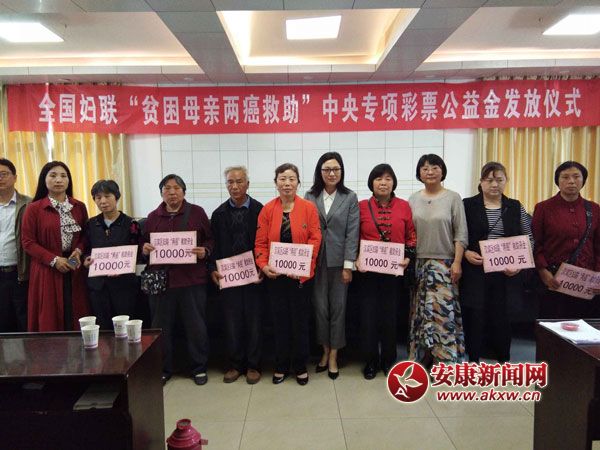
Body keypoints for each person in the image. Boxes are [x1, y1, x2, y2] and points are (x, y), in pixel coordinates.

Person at [142, 174, 214, 386]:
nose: (172, 192)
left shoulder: (197, 213)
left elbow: (210, 239)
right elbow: (143, 245)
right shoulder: (153, 217)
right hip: (162, 281)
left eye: (176, 188)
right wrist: (144, 249)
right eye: (167, 188)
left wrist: (205, 250)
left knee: (196, 326)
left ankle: (199, 368)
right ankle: (164, 369)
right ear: (161, 193)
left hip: (192, 280)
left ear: (184, 191)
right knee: (161, 328)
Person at [254, 163, 321, 386]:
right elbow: (260, 243)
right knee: (279, 322)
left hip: (300, 277)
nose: (287, 183)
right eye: (282, 179)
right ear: (276, 183)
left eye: (292, 179)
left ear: (298, 183)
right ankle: (281, 364)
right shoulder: (267, 210)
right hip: (275, 277)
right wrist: (264, 265)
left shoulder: (309, 208)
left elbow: (315, 239)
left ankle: (300, 365)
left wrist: (303, 268)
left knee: (300, 322)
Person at [461, 162, 533, 363]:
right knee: (475, 315)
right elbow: (457, 235)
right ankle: (474, 358)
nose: (494, 184)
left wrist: (519, 264)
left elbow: (529, 238)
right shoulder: (467, 205)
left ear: (506, 181)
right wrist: (466, 253)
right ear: (481, 182)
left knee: (502, 316)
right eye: (489, 180)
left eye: (499, 180)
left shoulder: (515, 206)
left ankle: (502, 358)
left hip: (506, 272)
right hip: (476, 270)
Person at [357, 164, 416, 379]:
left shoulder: (404, 206)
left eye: (388, 178)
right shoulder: (361, 206)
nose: (383, 183)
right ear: (371, 183)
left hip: (394, 272)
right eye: (379, 179)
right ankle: (370, 360)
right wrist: (356, 258)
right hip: (367, 273)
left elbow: (411, 236)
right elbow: (353, 235)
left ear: (394, 183)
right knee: (369, 318)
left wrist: (408, 256)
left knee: (390, 317)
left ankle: (389, 360)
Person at [409, 154, 468, 366]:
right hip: (419, 264)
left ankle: (444, 362)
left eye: (435, 167)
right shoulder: (413, 199)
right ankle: (425, 356)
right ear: (419, 173)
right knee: (422, 313)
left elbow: (461, 233)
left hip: (444, 264)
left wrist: (457, 262)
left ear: (442, 171)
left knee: (442, 315)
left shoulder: (453, 198)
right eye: (425, 168)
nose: (430, 171)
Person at [305, 152, 359, 380]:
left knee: (338, 309)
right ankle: (325, 351)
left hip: (339, 263)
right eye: (327, 169)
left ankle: (335, 355)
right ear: (320, 172)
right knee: (320, 309)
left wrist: (348, 265)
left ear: (341, 171)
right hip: (315, 262)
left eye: (336, 169)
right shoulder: (310, 196)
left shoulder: (349, 197)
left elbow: (352, 233)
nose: (331, 173)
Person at [210, 166, 264, 384]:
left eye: (239, 181)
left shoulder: (261, 210)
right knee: (232, 323)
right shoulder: (218, 214)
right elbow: (213, 246)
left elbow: (267, 242)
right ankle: (235, 364)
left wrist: (263, 266)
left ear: (247, 184)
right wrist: (212, 269)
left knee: (254, 322)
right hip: (229, 277)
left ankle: (254, 365)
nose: (234, 186)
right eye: (230, 182)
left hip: (254, 276)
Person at [21, 161, 89, 331]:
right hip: (46, 268)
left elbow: (85, 236)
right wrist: (54, 260)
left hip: (74, 264)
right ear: (44, 180)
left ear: (69, 180)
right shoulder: (33, 209)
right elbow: (28, 242)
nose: (58, 180)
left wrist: (78, 251)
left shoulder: (79, 206)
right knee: (49, 317)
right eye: (53, 175)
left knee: (75, 312)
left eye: (63, 176)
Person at [532, 161, 600, 319]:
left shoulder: (594, 209)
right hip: (554, 279)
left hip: (586, 282)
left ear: (583, 180)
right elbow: (536, 243)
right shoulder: (543, 208)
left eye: (576, 176)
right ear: (557, 181)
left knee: (586, 327)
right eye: (565, 177)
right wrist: (543, 271)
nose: (571, 181)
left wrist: (598, 275)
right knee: (553, 326)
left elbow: (598, 245)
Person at [83, 180, 141, 330]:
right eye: (98, 197)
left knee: (126, 327)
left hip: (124, 285)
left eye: (107, 196)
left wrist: (124, 266)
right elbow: (85, 249)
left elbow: (138, 253)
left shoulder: (131, 224)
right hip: (99, 286)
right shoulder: (90, 224)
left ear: (117, 197)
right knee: (103, 328)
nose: (103, 201)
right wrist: (85, 259)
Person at [0, 158, 31, 332]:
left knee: (23, 320)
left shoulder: (29, 204)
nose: (0, 178)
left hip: (20, 273)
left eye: (4, 174)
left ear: (15, 177)